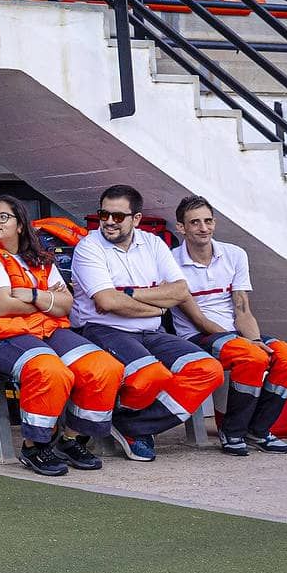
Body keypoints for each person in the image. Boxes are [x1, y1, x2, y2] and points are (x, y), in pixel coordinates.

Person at [0, 195, 125, 475]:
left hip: (45, 330)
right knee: (49, 371)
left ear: (20, 225)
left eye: (3, 217)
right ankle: (35, 446)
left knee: (104, 367)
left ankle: (71, 439)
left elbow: (67, 303)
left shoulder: (39, 260)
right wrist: (47, 300)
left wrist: (33, 295)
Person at [70, 184, 224, 461]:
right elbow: (106, 302)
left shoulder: (153, 244)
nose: (108, 222)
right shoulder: (89, 247)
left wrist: (128, 294)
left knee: (208, 370)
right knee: (151, 374)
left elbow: (179, 291)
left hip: (149, 332)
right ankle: (131, 426)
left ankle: (133, 425)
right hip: (101, 330)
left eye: (118, 217)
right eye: (103, 215)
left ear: (136, 219)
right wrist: (155, 307)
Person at [172, 196, 287, 455]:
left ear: (215, 223)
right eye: (195, 222)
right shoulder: (171, 261)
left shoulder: (234, 254)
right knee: (252, 358)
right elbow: (198, 319)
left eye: (208, 221)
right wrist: (247, 345)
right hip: (197, 336)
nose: (203, 228)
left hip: (236, 336)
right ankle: (232, 432)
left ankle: (259, 430)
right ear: (181, 228)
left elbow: (242, 309)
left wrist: (253, 340)